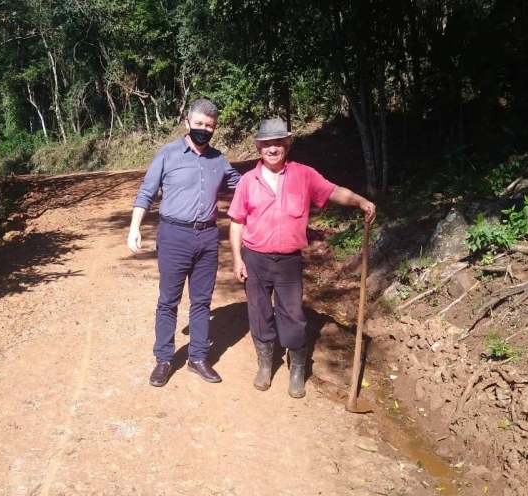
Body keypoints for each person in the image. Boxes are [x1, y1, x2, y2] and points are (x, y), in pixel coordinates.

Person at [227, 118, 376, 398]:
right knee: (259, 314)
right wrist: (238, 258)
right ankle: (264, 366)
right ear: (259, 147)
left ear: (287, 145)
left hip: (288, 261)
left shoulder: (304, 175)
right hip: (256, 258)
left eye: (278, 143)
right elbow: (237, 221)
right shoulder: (248, 181)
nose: (272, 148)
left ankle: (297, 371)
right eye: (267, 144)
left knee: (293, 316)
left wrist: (359, 201)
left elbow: (333, 192)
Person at [128, 98, 241, 388]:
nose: (204, 129)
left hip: (207, 236)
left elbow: (244, 187)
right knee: (169, 300)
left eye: (210, 126)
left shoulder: (219, 160)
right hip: (173, 236)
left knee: (202, 300)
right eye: (200, 123)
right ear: (187, 122)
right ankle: (164, 359)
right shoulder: (167, 155)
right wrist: (135, 228)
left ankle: (198, 357)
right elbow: (146, 192)